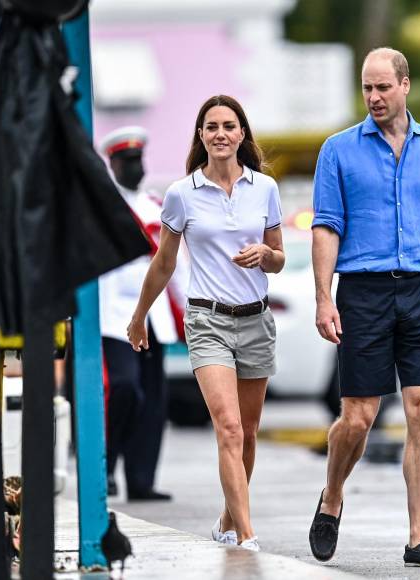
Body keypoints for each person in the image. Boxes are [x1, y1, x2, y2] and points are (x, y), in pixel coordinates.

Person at [308, 47, 420, 568]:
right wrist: (322, 297)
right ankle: (332, 495)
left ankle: (418, 537)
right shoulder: (337, 150)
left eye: (383, 87)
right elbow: (325, 228)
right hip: (363, 291)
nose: (374, 97)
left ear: (406, 85)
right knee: (358, 418)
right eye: (367, 88)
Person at [127, 95, 284, 552]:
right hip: (208, 321)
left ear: (241, 134)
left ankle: (227, 518)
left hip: (256, 321)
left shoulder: (265, 189)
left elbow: (278, 259)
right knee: (229, 429)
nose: (220, 134)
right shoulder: (182, 193)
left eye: (229, 126)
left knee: (249, 434)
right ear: (200, 135)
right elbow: (164, 262)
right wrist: (139, 317)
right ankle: (247, 536)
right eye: (211, 126)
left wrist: (265, 255)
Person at [98, 126, 182, 501]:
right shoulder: (102, 206)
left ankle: (142, 479)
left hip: (155, 316)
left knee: (152, 399)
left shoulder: (154, 206)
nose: (134, 168)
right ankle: (107, 462)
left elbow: (176, 263)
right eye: (126, 162)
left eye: (138, 161)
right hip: (115, 315)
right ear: (112, 164)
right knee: (124, 389)